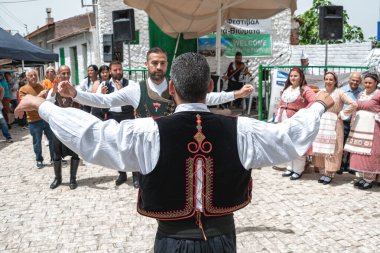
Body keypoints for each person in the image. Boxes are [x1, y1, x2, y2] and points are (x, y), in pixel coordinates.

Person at [15, 52, 334, 253]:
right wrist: (319, 103)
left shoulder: (148, 131)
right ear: (209, 87)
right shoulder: (242, 129)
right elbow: (290, 137)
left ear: (172, 89)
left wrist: (44, 107)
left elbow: (93, 136)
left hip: (170, 241)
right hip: (222, 240)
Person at [58, 47, 253, 188]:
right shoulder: (135, 90)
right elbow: (103, 100)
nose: (158, 67)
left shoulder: (177, 87)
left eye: (162, 63)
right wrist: (75, 94)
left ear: (167, 64)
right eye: (154, 63)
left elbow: (208, 97)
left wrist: (236, 94)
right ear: (146, 64)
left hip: (175, 148)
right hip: (147, 150)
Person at [312, 72, 357, 185]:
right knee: (322, 147)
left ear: (335, 81)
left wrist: (342, 113)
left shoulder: (340, 92)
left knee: (333, 148)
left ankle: (330, 173)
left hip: (334, 122)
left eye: (331, 79)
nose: (328, 81)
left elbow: (353, 104)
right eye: (326, 79)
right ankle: (323, 172)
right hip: (322, 122)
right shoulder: (321, 93)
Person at [274, 67, 316, 180]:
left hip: (297, 121)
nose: (293, 78)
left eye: (295, 76)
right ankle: (289, 167)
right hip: (283, 119)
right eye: (291, 76)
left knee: (297, 145)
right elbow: (281, 103)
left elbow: (314, 101)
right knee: (286, 144)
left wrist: (304, 112)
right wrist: (277, 114)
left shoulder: (305, 89)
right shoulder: (287, 88)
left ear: (301, 77)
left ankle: (298, 170)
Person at [47, 65, 81, 190]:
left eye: (68, 73)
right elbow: (48, 102)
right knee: (56, 154)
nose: (66, 76)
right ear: (58, 75)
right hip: (58, 127)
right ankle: (58, 178)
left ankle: (73, 178)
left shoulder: (75, 89)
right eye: (63, 73)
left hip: (73, 127)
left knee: (75, 154)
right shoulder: (53, 90)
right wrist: (55, 90)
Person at [344, 73, 380, 189]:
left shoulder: (378, 94)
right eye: (366, 82)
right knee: (359, 152)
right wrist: (352, 120)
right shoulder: (361, 94)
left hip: (373, 127)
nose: (367, 85)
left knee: (370, 153)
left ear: (376, 84)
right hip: (359, 127)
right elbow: (355, 108)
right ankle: (363, 177)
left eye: (370, 83)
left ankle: (369, 179)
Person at [18, 69, 54, 168]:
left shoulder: (41, 86)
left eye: (35, 75)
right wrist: (39, 95)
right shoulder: (23, 89)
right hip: (33, 120)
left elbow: (45, 101)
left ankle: (53, 158)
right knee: (37, 142)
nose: (34, 77)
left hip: (45, 117)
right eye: (31, 75)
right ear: (27, 77)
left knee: (52, 139)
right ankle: (39, 160)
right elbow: (25, 104)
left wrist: (47, 94)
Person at [339, 72, 363, 174]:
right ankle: (339, 165)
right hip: (343, 121)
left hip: (356, 122)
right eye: (353, 80)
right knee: (341, 143)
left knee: (352, 144)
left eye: (357, 81)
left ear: (360, 82)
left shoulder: (362, 92)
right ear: (349, 80)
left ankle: (349, 165)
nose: (354, 82)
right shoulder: (342, 90)